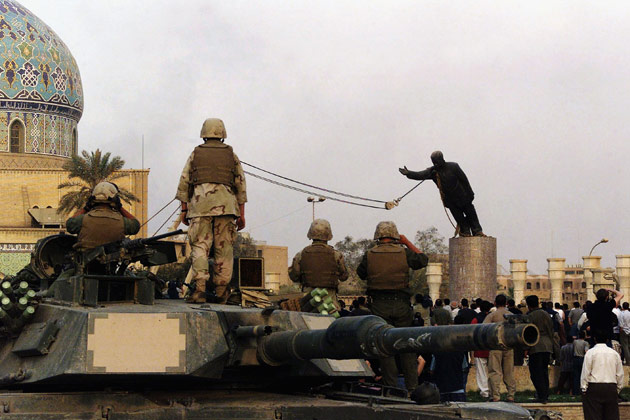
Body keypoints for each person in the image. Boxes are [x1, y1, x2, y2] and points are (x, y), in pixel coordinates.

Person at [176, 118, 247, 303]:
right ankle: (222, 292)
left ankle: (199, 290)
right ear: (222, 133)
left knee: (200, 247)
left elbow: (184, 182)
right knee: (224, 250)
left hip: (200, 207)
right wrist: (242, 213)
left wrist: (184, 209)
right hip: (227, 208)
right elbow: (241, 185)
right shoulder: (231, 155)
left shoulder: (196, 154)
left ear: (204, 132)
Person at [356, 221, 428, 391]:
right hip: (402, 305)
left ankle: (391, 388)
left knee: (384, 346)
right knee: (406, 346)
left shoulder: (370, 254)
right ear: (395, 236)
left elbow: (361, 273)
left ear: (378, 236)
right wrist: (407, 242)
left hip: (379, 306)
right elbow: (423, 260)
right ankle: (412, 389)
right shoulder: (404, 253)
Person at [399, 151, 484, 237]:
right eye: (433, 162)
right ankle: (465, 232)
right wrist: (409, 173)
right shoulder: (433, 172)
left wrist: (470, 194)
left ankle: (477, 231)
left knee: (471, 214)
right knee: (459, 218)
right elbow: (420, 175)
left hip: (463, 197)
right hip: (450, 201)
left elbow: (464, 180)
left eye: (436, 161)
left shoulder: (454, 166)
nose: (435, 163)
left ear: (442, 159)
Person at [289, 219, 349, 309]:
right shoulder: (336, 254)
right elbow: (344, 277)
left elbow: (294, 276)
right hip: (330, 301)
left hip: (309, 301)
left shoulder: (301, 254)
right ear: (328, 234)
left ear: (311, 234)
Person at [66, 181, 140, 252]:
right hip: (112, 263)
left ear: (92, 198)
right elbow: (135, 225)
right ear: (115, 200)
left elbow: (70, 224)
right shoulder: (122, 222)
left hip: (85, 263)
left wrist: (86, 208)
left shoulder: (82, 219)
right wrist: (120, 207)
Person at [580, 331, 625, 420]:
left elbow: (586, 371)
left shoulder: (590, 353)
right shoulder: (615, 354)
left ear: (595, 339)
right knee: (611, 416)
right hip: (611, 387)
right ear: (607, 339)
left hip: (594, 387)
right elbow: (620, 374)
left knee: (593, 416)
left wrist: (584, 388)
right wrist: (618, 388)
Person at [483, 294, 516, 402]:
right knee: (509, 371)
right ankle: (511, 395)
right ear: (506, 303)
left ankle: (495, 396)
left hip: (495, 346)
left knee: (495, 371)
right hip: (509, 346)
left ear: (495, 303)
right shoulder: (511, 315)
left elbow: (484, 328)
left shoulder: (492, 315)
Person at [526, 295, 554, 403]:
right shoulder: (546, 314)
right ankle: (545, 394)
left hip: (535, 346)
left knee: (536, 373)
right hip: (547, 345)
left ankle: (541, 395)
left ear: (528, 305)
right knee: (543, 371)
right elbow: (551, 330)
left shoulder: (530, 316)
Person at [471, 300, 491, 399]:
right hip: (491, 348)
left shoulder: (475, 319)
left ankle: (484, 392)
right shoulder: (492, 318)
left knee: (481, 372)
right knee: (493, 371)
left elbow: (471, 333)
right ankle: (493, 390)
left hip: (479, 349)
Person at [573, 330, 590, 396]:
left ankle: (575, 392)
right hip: (582, 358)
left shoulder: (575, 342)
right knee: (582, 375)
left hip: (575, 358)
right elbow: (586, 351)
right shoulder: (585, 343)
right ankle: (582, 390)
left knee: (575, 376)